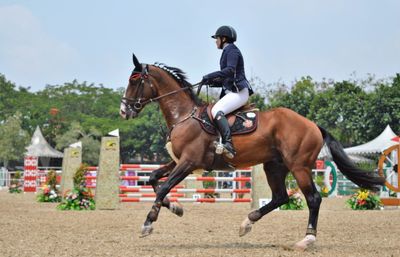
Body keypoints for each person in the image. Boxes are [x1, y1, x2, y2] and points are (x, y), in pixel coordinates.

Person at [201, 25, 253, 159]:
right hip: (232, 92)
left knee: (216, 111)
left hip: (239, 92)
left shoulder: (232, 51)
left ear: (223, 38)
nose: (215, 41)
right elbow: (228, 78)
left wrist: (210, 75)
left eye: (217, 38)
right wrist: (212, 82)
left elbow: (230, 70)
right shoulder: (227, 51)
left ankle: (228, 143)